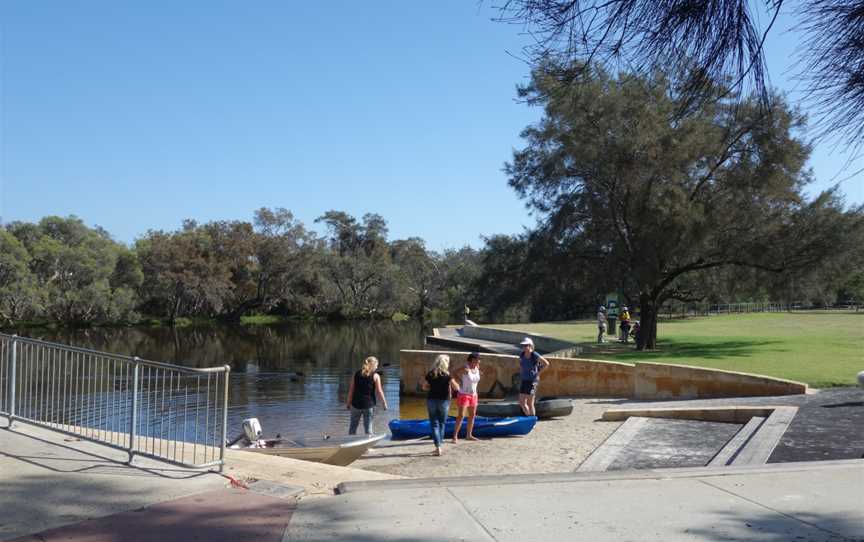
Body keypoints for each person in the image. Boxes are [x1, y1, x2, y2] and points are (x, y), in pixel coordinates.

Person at [418, 354, 458, 456]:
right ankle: (440, 445)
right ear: (445, 363)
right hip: (444, 401)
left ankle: (437, 447)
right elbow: (457, 388)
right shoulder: (447, 375)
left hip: (431, 400)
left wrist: (431, 388)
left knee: (434, 424)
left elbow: (424, 387)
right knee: (442, 423)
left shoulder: (431, 374)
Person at [345, 356, 388, 435]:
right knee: (368, 428)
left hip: (355, 404)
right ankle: (368, 445)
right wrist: (384, 403)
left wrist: (348, 403)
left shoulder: (356, 374)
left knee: (352, 428)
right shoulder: (376, 376)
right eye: (376, 365)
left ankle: (350, 444)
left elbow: (351, 390)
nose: (377, 367)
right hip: (368, 405)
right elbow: (379, 391)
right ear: (373, 365)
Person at [451, 352, 483, 442]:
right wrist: (459, 380)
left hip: (474, 395)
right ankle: (455, 436)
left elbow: (475, 379)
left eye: (477, 360)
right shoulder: (465, 367)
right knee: (461, 415)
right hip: (464, 394)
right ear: (470, 360)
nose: (477, 362)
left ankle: (469, 435)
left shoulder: (477, 367)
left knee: (472, 415)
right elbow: (453, 372)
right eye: (475, 360)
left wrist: (479, 372)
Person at [518, 338, 550, 416]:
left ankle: (532, 420)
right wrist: (522, 373)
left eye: (526, 345)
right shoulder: (522, 354)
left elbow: (546, 363)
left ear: (530, 346)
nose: (524, 347)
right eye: (523, 345)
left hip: (532, 381)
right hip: (524, 380)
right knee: (522, 402)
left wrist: (538, 373)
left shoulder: (534, 355)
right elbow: (521, 364)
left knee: (530, 402)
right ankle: (529, 419)